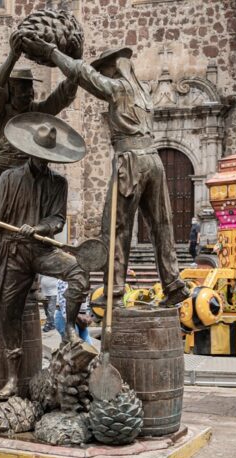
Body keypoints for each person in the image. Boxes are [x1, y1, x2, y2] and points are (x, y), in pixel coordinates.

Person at [24, 38, 190, 307]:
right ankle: (174, 283)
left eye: (104, 69)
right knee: (162, 225)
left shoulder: (120, 89)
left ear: (114, 69)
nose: (101, 73)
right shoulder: (143, 94)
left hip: (130, 161)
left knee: (114, 226)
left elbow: (83, 74)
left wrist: (53, 54)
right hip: (153, 160)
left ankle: (113, 290)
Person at [0, 113, 89, 400]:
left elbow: (58, 220)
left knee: (78, 272)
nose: (43, 159)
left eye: (47, 156)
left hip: (41, 250)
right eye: (38, 154)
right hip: (12, 253)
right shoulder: (9, 178)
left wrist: (39, 228)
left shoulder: (58, 184)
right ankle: (13, 378)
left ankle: (69, 334)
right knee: (8, 313)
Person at [0, 34, 78, 303]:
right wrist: (13, 55)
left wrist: (74, 65)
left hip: (27, 180)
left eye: (31, 89)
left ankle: (29, 288)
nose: (29, 94)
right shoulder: (0, 112)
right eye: (23, 89)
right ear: (11, 91)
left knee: (30, 236)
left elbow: (63, 95)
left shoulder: (37, 114)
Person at [54, 279, 92, 344]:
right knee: (74, 346)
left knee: (88, 346)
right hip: (66, 318)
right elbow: (64, 303)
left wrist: (86, 315)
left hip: (79, 317)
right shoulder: (65, 279)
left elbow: (85, 300)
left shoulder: (82, 278)